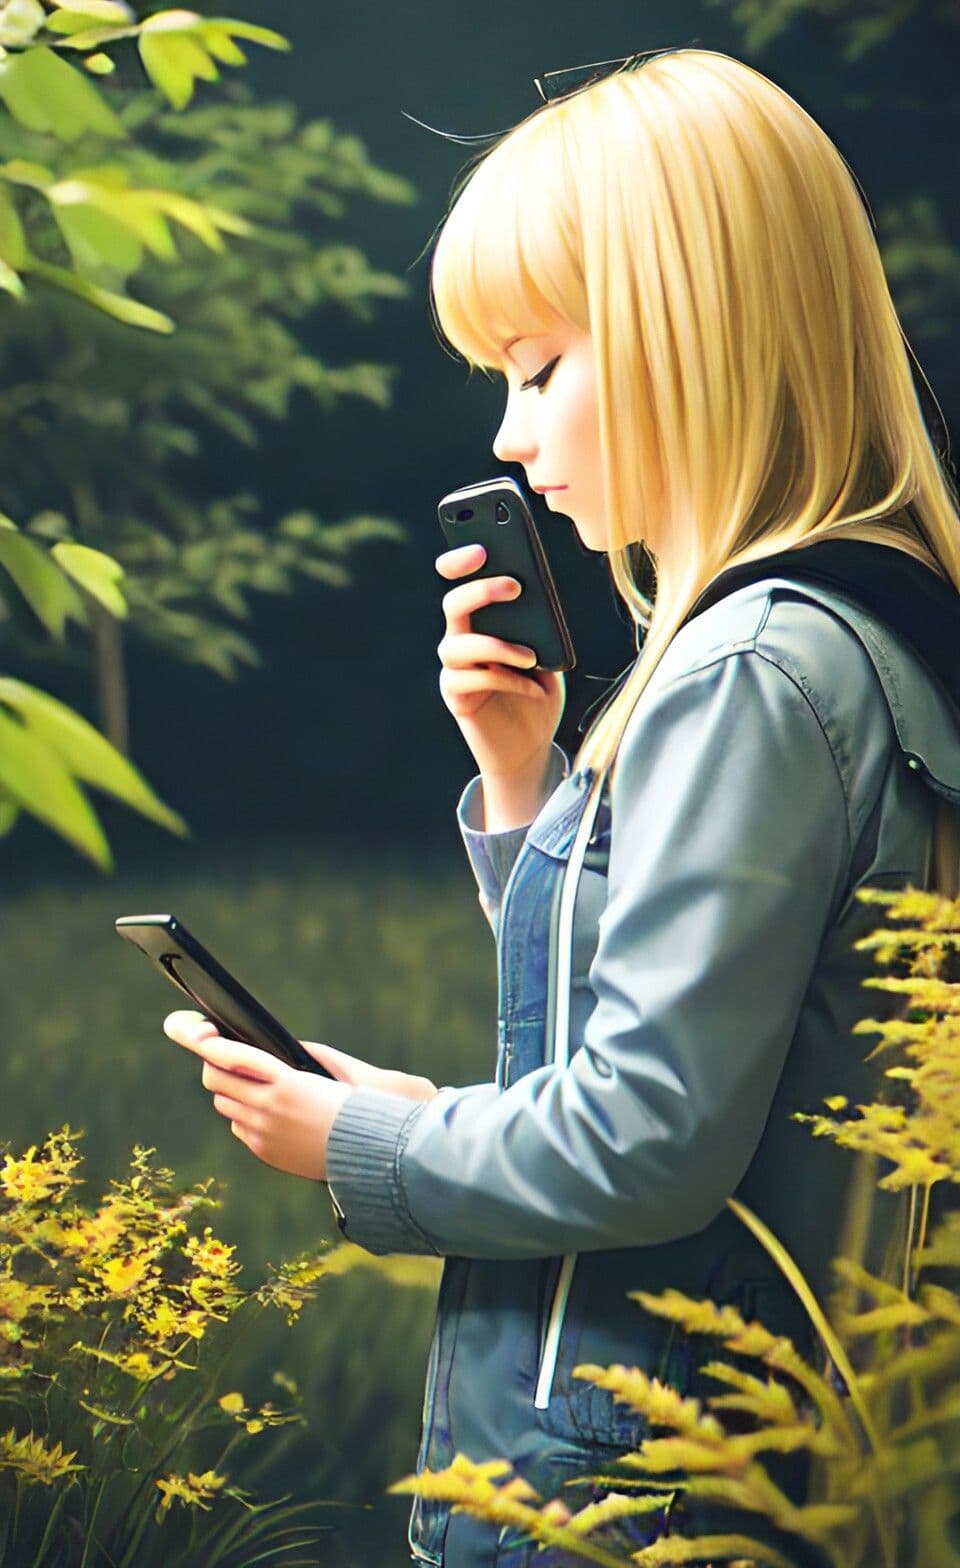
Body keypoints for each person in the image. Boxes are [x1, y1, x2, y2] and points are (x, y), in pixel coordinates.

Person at [163, 47, 960, 1568]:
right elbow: (710, 1045)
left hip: (638, 1488)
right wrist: (528, 776)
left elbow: (646, 1138)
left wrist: (362, 1144)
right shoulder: (877, 625)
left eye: (536, 369)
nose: (508, 440)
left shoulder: (748, 670)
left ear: (691, 336)